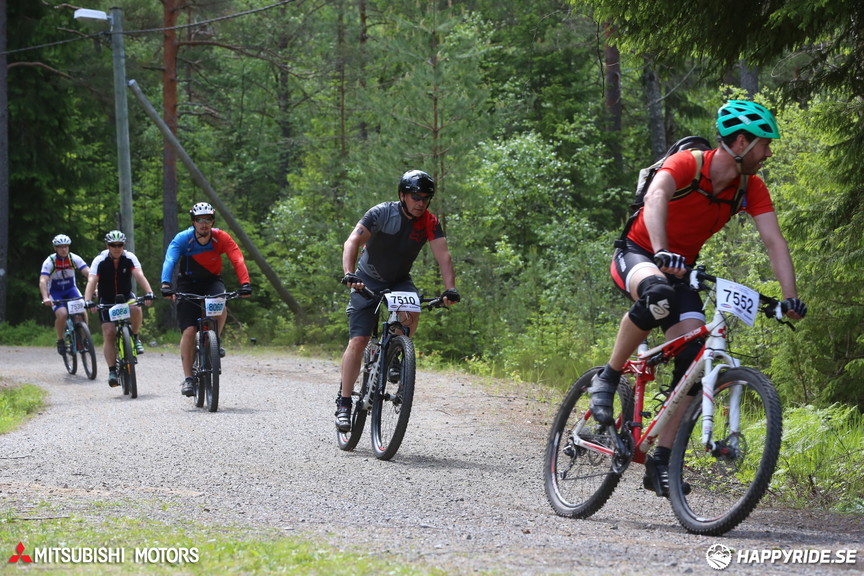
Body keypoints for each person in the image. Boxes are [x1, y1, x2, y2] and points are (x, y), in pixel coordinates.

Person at [591, 100, 807, 496]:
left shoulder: (751, 188)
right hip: (639, 253)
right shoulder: (689, 164)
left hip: (681, 269)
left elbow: (774, 241)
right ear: (740, 142)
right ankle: (608, 376)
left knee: (695, 356)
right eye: (764, 144)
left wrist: (789, 299)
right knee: (657, 295)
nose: (768, 153)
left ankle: (661, 459)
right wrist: (660, 250)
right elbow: (656, 198)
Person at [336, 169, 460, 432]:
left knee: (412, 309)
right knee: (358, 340)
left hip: (399, 280)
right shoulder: (382, 212)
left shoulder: (430, 221)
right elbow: (352, 241)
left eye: (426, 198)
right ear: (403, 195)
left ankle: (394, 353)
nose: (421, 203)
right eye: (416, 197)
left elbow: (444, 256)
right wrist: (349, 273)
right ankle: (344, 403)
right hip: (367, 278)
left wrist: (450, 290)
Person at [160, 202, 252, 397]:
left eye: (208, 220)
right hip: (187, 284)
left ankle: (214, 341)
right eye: (199, 220)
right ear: (193, 222)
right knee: (189, 330)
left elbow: (237, 258)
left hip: (212, 281)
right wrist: (166, 285)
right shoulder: (183, 239)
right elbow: (170, 260)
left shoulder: (221, 238)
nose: (204, 224)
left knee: (220, 301)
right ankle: (188, 379)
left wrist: (245, 283)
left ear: (212, 221)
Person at [83, 231, 155, 387]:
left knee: (136, 308)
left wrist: (149, 292)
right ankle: (112, 371)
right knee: (109, 333)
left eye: (119, 245)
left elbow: (139, 275)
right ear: (107, 246)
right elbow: (92, 280)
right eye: (113, 245)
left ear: (123, 245)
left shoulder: (129, 257)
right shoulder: (99, 260)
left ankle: (135, 337)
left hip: (125, 296)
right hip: (107, 299)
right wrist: (88, 301)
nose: (116, 248)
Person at [39, 234, 91, 355]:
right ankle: (60, 340)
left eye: (66, 246)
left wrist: (95, 288)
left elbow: (89, 274)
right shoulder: (50, 261)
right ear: (55, 248)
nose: (64, 249)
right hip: (55, 292)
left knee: (82, 310)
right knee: (62, 314)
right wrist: (45, 297)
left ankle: (84, 337)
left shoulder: (74, 258)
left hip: (71, 289)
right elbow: (43, 280)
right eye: (60, 247)